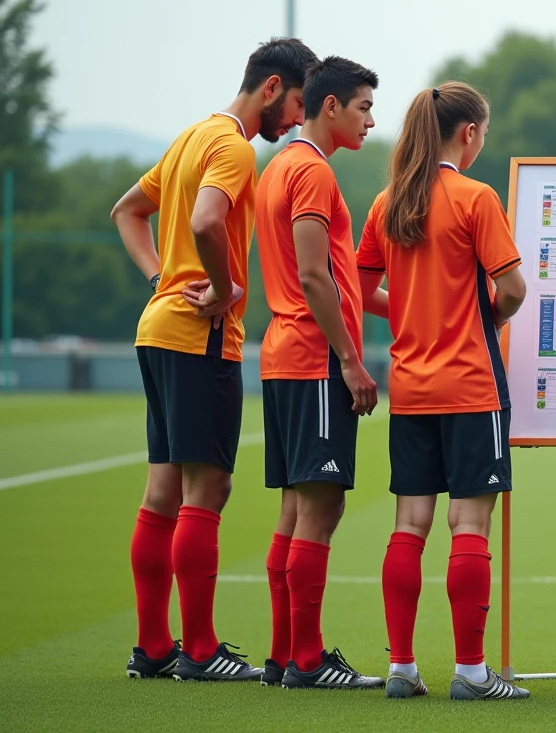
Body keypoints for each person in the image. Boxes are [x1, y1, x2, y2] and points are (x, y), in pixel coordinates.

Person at [111, 37, 318, 681]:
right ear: (272, 88)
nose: (294, 121)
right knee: (210, 486)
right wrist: (225, 286)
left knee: (162, 491)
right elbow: (206, 222)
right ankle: (199, 652)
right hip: (198, 335)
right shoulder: (231, 146)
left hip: (159, 327)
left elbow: (127, 211)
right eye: (296, 106)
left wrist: (161, 280)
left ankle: (153, 648)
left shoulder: (189, 137)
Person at [356, 81, 529, 701]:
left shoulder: (389, 202)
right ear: (469, 133)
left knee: (409, 523)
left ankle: (401, 669)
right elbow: (511, 289)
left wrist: (406, 313)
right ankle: (472, 673)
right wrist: (485, 313)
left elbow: (357, 287)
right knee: (470, 526)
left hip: (411, 388)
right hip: (471, 386)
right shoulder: (475, 197)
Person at [252, 56, 383, 689]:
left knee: (294, 508)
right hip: (314, 358)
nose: (370, 120)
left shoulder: (276, 167)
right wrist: (353, 361)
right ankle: (305, 660)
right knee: (321, 508)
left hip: (283, 354)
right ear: (328, 106)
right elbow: (312, 274)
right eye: (362, 107)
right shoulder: (310, 173)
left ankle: (284, 655)